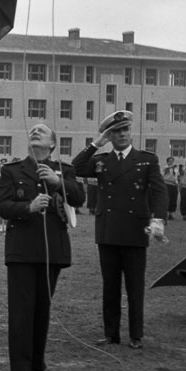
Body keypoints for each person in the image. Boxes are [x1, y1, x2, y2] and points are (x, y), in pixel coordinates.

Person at [71, 110, 167, 350]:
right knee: (110, 285)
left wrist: (158, 219)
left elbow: (159, 191)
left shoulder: (146, 159)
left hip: (135, 230)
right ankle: (111, 333)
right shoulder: (101, 160)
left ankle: (136, 334)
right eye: (116, 131)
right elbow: (75, 167)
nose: (122, 134)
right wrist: (95, 144)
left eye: (125, 130)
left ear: (130, 131)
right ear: (109, 135)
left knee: (135, 286)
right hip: (108, 231)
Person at [0, 123, 83, 371]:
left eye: (42, 131)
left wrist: (58, 183)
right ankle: (20, 368)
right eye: (33, 130)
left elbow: (80, 198)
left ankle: (37, 365)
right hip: (22, 249)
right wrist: (29, 207)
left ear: (53, 145)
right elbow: (3, 206)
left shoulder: (64, 171)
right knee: (21, 310)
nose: (35, 132)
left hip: (51, 251)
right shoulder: (12, 170)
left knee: (42, 309)